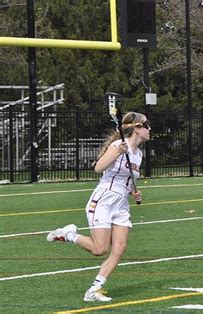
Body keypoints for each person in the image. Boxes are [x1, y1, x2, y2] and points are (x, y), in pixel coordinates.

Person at [46, 112, 151, 301]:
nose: (149, 129)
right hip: (104, 199)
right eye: (147, 125)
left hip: (121, 205)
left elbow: (128, 179)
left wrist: (133, 192)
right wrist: (118, 152)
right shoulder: (117, 146)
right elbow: (98, 168)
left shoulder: (139, 155)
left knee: (119, 248)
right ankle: (68, 234)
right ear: (137, 128)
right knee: (99, 249)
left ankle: (93, 290)